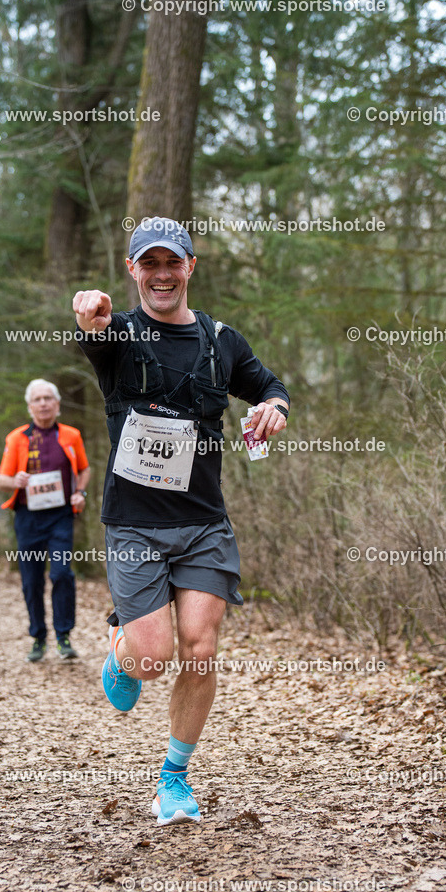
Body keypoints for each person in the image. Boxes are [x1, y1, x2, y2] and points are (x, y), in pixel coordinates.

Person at [73, 216, 290, 826]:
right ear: (133, 270)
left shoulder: (223, 341)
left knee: (200, 649)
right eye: (151, 264)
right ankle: (122, 646)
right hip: (136, 524)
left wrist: (273, 407)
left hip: (202, 522)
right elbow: (90, 328)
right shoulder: (119, 336)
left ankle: (174, 779)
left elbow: (270, 385)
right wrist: (88, 312)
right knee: (151, 659)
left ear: (190, 267)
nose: (163, 274)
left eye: (174, 263)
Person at [0, 379, 91, 663]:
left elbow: (84, 470)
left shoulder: (71, 435)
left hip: (60, 516)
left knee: (62, 573)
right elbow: (1, 480)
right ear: (29, 406)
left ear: (57, 404)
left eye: (48, 398)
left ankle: (63, 635)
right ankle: (38, 637)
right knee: (31, 580)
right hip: (27, 518)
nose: (43, 403)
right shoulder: (17, 438)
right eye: (37, 399)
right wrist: (16, 480)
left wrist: (80, 492)